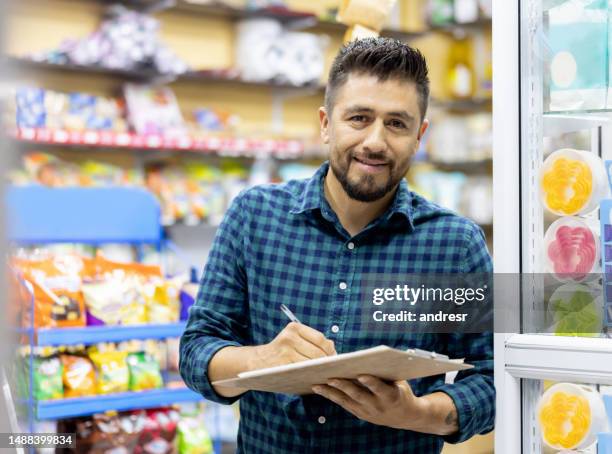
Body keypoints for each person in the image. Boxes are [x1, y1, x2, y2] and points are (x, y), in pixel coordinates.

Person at [180, 37, 494, 453]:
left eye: (397, 124)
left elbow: (492, 382)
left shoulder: (454, 244)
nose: (375, 142)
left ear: (420, 136)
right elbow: (197, 350)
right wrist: (262, 361)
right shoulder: (254, 217)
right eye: (359, 118)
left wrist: (414, 414)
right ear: (326, 123)